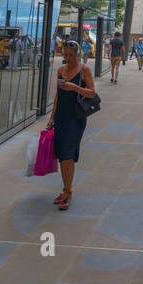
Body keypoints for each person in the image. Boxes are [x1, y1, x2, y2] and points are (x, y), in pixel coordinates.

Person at [46, 40, 96, 211]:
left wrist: (74, 87)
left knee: (67, 152)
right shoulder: (61, 70)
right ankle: (66, 188)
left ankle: (68, 192)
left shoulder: (84, 70)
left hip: (76, 117)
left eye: (71, 55)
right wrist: (52, 117)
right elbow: (58, 96)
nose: (68, 58)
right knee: (62, 154)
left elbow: (92, 92)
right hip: (61, 116)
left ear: (77, 54)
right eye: (65, 55)